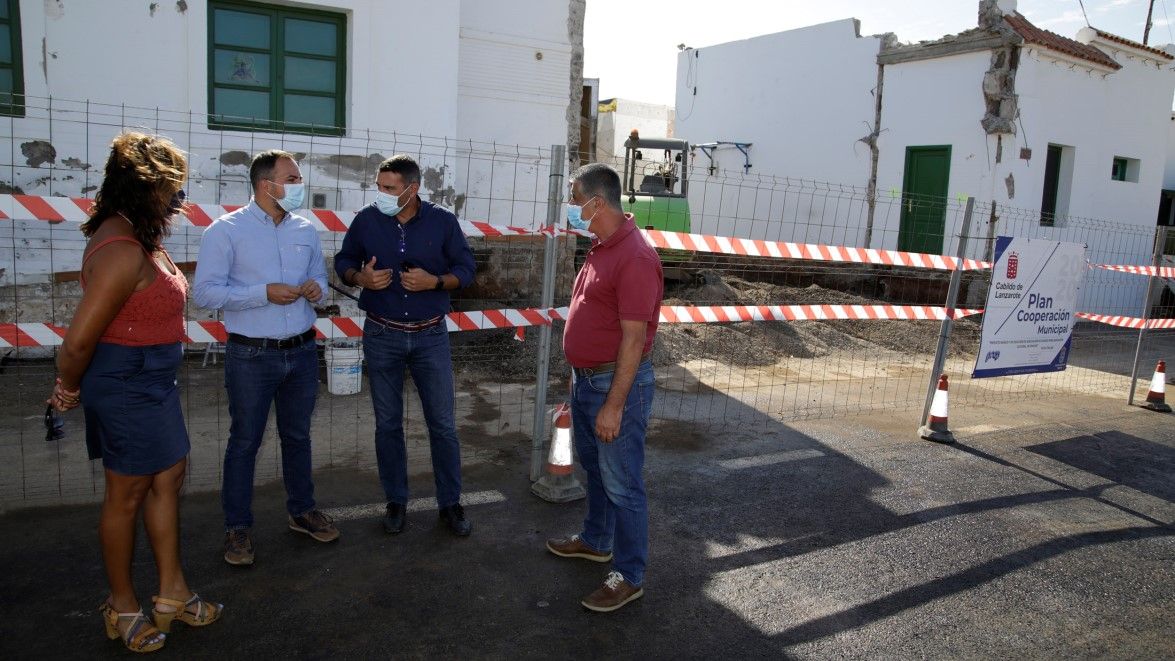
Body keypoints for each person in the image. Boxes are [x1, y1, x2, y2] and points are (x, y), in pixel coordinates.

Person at [49, 132, 222, 652]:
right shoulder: (121, 248)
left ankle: (171, 593)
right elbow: (79, 341)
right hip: (124, 382)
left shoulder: (139, 235)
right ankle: (122, 607)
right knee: (125, 494)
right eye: (171, 190)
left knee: (168, 476)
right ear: (140, 188)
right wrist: (66, 390)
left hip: (152, 380)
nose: (179, 201)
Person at [193, 149, 338, 566]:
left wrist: (315, 289)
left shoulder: (306, 231)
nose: (298, 186)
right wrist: (262, 293)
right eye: (291, 179)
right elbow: (205, 294)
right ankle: (237, 528)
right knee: (244, 442)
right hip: (251, 355)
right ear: (265, 184)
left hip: (303, 350)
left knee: (298, 437)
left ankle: (302, 510)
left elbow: (320, 283)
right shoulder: (225, 231)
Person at [334, 155, 476, 536]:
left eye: (389, 188)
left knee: (443, 425)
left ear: (412, 189)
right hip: (382, 335)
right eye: (379, 186)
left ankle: (451, 504)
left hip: (431, 336)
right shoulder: (366, 220)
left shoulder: (443, 221)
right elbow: (343, 260)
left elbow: (466, 269)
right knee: (388, 425)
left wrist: (435, 282)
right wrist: (358, 276)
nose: (380, 194)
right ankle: (396, 501)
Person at [545, 162, 663, 613]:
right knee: (596, 469)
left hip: (615, 386)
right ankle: (597, 540)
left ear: (597, 202)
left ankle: (630, 575)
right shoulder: (601, 245)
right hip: (588, 380)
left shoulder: (634, 256)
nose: (571, 209)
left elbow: (634, 339)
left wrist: (613, 405)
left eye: (575, 199)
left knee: (623, 482)